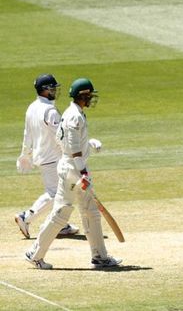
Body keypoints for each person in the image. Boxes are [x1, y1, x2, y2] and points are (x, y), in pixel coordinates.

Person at [25, 78, 122, 269]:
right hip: (74, 170)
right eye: (89, 95)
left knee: (82, 212)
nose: (92, 98)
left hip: (69, 167)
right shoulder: (75, 116)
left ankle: (36, 253)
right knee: (64, 213)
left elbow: (69, 142)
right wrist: (82, 173)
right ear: (82, 95)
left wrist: (88, 145)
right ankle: (98, 257)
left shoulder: (73, 112)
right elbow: (72, 147)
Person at [15, 74, 80, 239]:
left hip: (42, 156)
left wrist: (25, 155)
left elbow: (26, 134)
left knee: (61, 192)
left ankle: (61, 224)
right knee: (55, 194)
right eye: (52, 88)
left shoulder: (32, 107)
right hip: (53, 158)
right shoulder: (50, 111)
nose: (55, 91)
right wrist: (73, 153)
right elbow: (61, 136)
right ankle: (26, 217)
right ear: (44, 90)